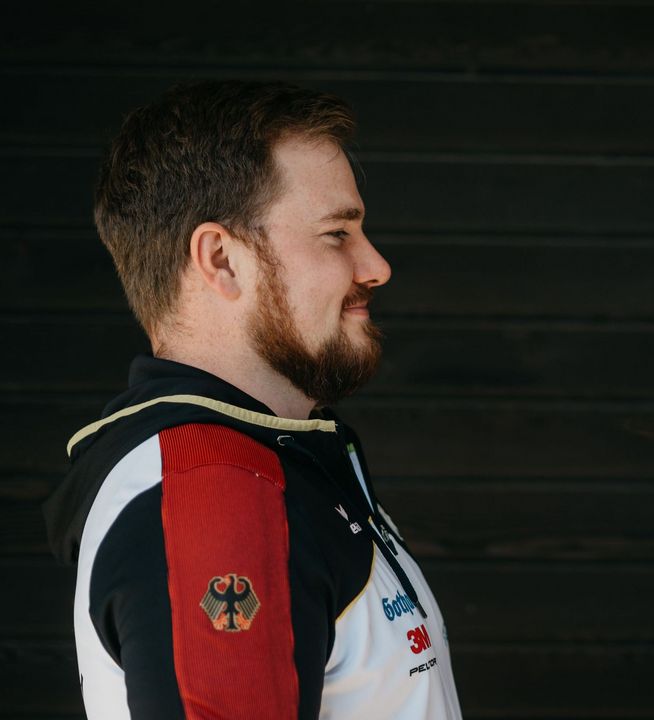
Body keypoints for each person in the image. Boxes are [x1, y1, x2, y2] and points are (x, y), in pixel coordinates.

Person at [43, 80, 462, 719]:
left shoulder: (270, 461)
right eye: (336, 234)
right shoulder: (216, 487)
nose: (375, 265)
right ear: (222, 260)